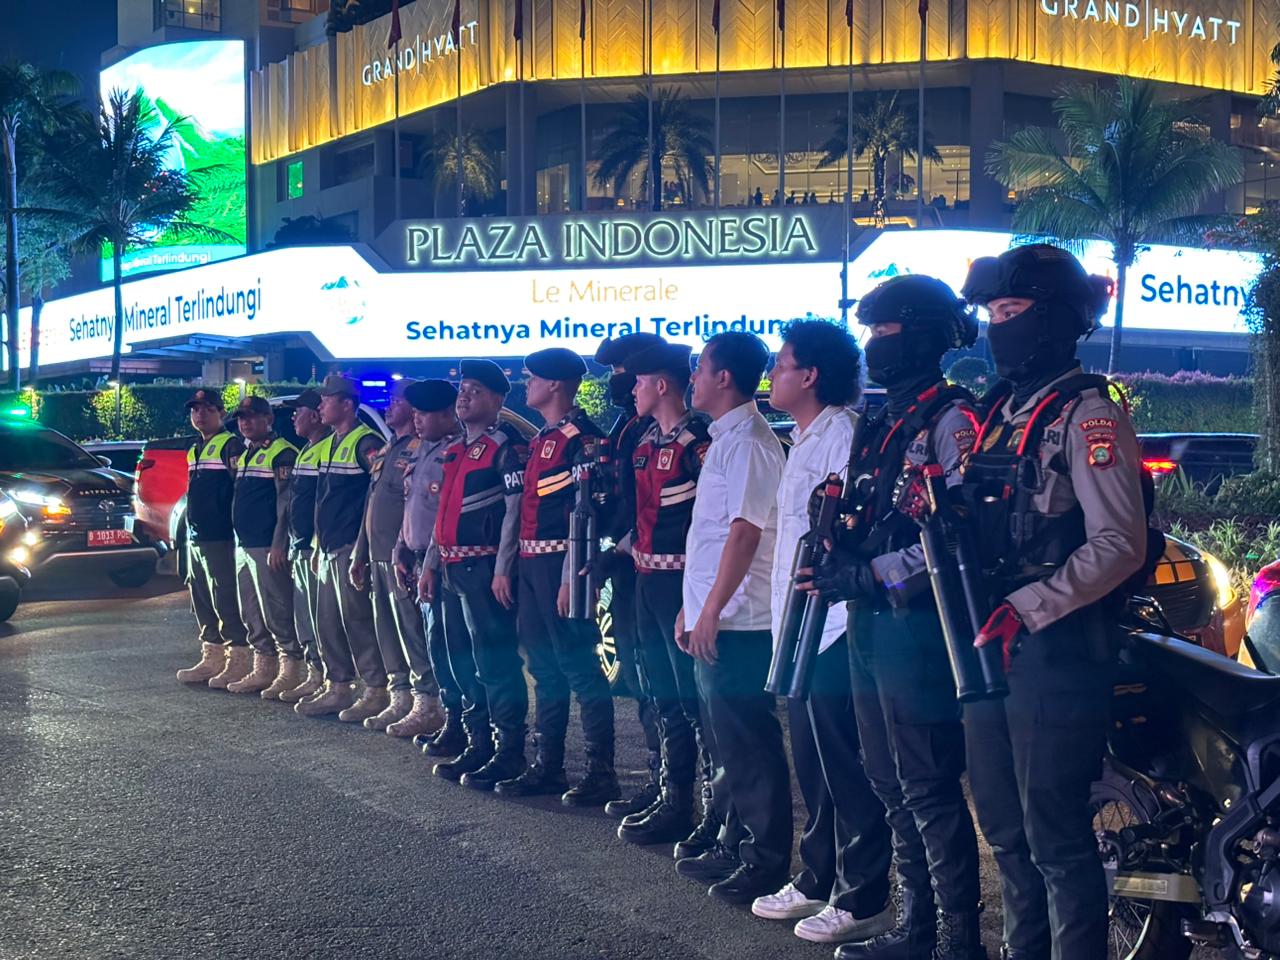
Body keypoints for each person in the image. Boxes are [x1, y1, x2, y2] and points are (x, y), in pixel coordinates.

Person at [960, 244, 1145, 960]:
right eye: (992, 314)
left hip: (1055, 647)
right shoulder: (1001, 411)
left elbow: (1119, 543)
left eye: (1010, 313)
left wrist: (1031, 605)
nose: (997, 327)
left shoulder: (1088, 413)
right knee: (1005, 829)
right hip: (986, 637)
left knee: (1056, 838)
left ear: (1054, 319)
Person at [805, 275, 985, 960]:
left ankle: (959, 943)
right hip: (869, 621)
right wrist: (836, 552)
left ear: (930, 336)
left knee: (927, 783)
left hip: (920, 624)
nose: (877, 345)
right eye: (871, 333)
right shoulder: (881, 420)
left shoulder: (953, 420)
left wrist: (878, 572)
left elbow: (961, 531)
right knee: (885, 777)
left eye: (889, 331)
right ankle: (918, 926)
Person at [754, 322, 894, 945]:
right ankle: (817, 880)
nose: (773, 375)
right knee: (812, 761)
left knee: (845, 766)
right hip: (801, 625)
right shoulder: (802, 438)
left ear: (810, 376)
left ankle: (863, 896)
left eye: (781, 365)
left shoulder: (841, 435)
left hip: (834, 627)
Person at [673, 331, 790, 905]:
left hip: (740, 619)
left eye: (699, 369)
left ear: (724, 378)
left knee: (748, 741)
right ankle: (734, 839)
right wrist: (691, 608)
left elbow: (745, 533)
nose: (691, 378)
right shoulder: (727, 439)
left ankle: (764, 860)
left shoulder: (749, 442)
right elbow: (711, 536)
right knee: (725, 740)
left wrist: (712, 610)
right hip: (715, 613)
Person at [496, 347, 619, 806]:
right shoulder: (546, 437)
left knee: (579, 668)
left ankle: (600, 771)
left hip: (563, 565)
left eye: (531, 378)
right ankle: (547, 765)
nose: (525, 384)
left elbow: (587, 515)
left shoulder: (583, 440)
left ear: (554, 385)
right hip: (533, 566)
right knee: (544, 669)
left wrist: (571, 576)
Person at [613, 341, 713, 852]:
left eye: (637, 381)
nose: (629, 389)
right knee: (660, 694)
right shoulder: (646, 441)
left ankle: (711, 811)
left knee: (694, 702)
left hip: (682, 584)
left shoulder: (701, 442)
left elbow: (710, 524)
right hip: (645, 580)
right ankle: (674, 798)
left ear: (661, 384)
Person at [426, 359, 529, 789]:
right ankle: (478, 741)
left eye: (475, 390)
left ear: (499, 400)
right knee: (462, 661)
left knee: (495, 662)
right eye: (462, 389)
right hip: (451, 568)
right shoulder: (457, 449)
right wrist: (431, 563)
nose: (464, 396)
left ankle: (509, 752)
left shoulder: (506, 446)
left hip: (484, 568)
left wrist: (503, 569)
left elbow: (514, 512)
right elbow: (442, 514)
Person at [593, 332, 666, 820]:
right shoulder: (626, 426)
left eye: (626, 373)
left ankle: (675, 786)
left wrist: (622, 543)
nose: (620, 382)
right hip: (625, 564)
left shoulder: (659, 432)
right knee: (640, 676)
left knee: (661, 682)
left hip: (651, 565)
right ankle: (661, 778)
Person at [352, 380, 443, 735]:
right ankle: (400, 696)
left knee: (412, 631)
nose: (390, 406)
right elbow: (371, 504)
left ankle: (427, 702)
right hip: (377, 555)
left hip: (402, 557)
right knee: (387, 631)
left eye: (398, 400)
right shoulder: (390, 447)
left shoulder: (420, 449)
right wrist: (360, 552)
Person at [295, 375, 387, 720]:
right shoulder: (332, 442)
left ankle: (375, 690)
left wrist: (361, 550)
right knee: (328, 622)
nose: (320, 406)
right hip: (328, 546)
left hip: (351, 546)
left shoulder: (366, 442)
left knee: (357, 621)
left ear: (347, 404)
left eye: (327, 400)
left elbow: (375, 497)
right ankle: (338, 686)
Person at [396, 378, 471, 747]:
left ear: (447, 413)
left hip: (442, 563)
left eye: (424, 413)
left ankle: (466, 726)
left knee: (454, 649)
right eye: (415, 413)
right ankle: (451, 720)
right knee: (436, 646)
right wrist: (400, 548)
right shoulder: (420, 451)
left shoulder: (455, 452)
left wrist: (427, 563)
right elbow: (411, 506)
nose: (418, 420)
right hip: (418, 560)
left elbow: (444, 515)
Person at [224, 396, 304, 697]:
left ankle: (291, 667)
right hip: (244, 545)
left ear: (268, 419)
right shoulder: (246, 454)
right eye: (242, 418)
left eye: (252, 417)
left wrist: (278, 543)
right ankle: (264, 665)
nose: (245, 422)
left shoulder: (283, 453)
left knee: (277, 608)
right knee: (252, 611)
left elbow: (285, 504)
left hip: (266, 546)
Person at [176, 389, 251, 688]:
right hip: (197, 536)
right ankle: (212, 656)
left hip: (220, 537)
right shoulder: (195, 449)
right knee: (201, 597)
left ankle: (239, 658)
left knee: (225, 597)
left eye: (207, 409)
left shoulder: (230, 446)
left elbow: (238, 492)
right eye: (195, 410)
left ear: (220, 413)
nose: (200, 414)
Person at [278, 389, 330, 704]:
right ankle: (315, 675)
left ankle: (331, 680)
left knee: (322, 619)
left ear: (314, 414)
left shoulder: (327, 449)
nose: (294, 417)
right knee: (305, 617)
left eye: (298, 411)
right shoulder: (306, 450)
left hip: (317, 548)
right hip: (301, 545)